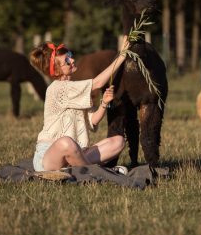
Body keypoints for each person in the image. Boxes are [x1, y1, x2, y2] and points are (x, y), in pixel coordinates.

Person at [29, 38, 130, 173]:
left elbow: (92, 121)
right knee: (66, 142)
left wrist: (104, 103)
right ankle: (99, 172)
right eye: (66, 61)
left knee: (118, 141)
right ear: (57, 71)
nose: (72, 60)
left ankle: (76, 167)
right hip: (48, 157)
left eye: (70, 56)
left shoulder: (76, 88)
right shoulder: (57, 89)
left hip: (76, 152)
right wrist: (122, 56)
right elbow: (98, 83)